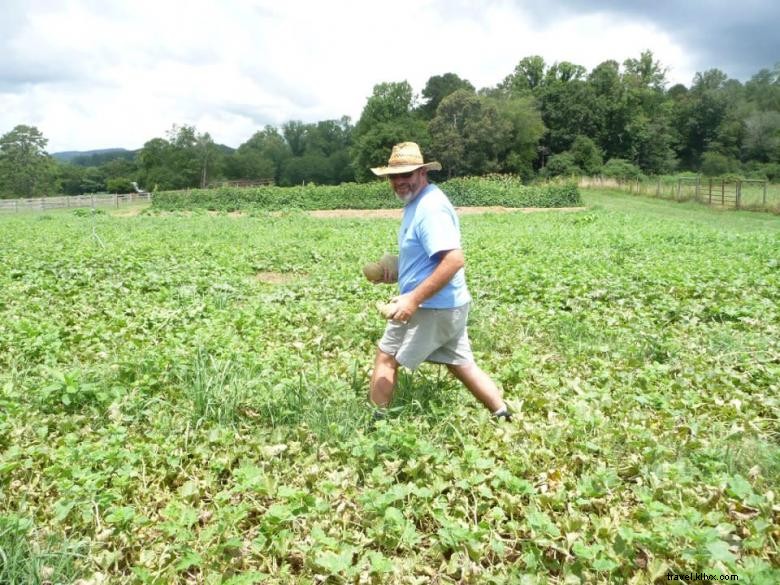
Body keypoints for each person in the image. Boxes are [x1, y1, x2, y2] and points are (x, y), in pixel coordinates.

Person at [367, 142, 511, 420]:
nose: (399, 182)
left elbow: (454, 260)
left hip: (431, 306)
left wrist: (412, 298)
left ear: (422, 172)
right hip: (448, 304)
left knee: (386, 357)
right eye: (393, 176)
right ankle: (502, 413)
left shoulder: (430, 209)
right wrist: (397, 271)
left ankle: (375, 427)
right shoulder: (418, 202)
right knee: (460, 364)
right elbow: (430, 259)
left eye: (406, 175)